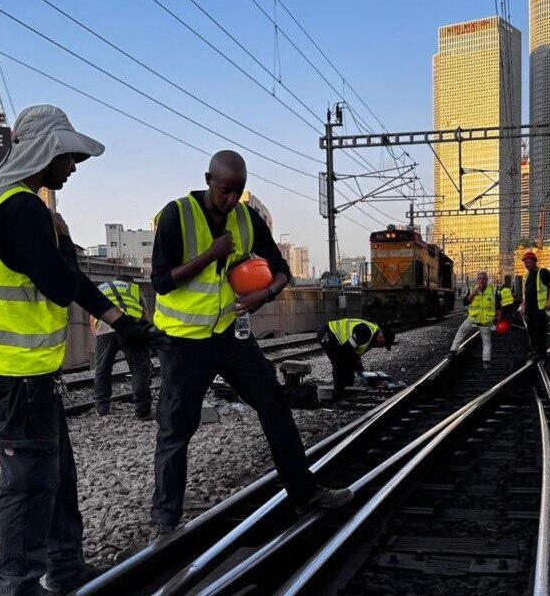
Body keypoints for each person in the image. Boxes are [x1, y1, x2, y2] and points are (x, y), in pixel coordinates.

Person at [0, 105, 152, 596]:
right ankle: (18, 595)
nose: (72, 165)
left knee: (57, 472)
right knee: (29, 479)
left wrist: (122, 321)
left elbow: (65, 281)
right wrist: (65, 238)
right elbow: (60, 282)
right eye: (67, 155)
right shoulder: (19, 209)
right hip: (14, 370)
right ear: (42, 150)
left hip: (24, 369)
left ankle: (66, 568)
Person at [150, 149, 351, 534]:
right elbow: (161, 280)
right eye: (225, 190)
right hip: (184, 342)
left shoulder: (246, 217)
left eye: (238, 191)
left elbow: (281, 270)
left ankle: (305, 493)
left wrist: (266, 294)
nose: (231, 199)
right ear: (209, 179)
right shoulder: (177, 215)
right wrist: (211, 254)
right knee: (176, 428)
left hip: (230, 335)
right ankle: (164, 522)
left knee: (273, 403)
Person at [91, 278, 152, 419]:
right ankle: (143, 412)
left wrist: (100, 335)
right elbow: (144, 315)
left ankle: (102, 409)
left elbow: (92, 316)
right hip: (130, 326)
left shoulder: (101, 287)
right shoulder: (134, 288)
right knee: (139, 369)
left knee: (102, 369)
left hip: (105, 327)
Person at [317, 318, 395, 400]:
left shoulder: (372, 337)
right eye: (384, 343)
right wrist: (360, 370)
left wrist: (361, 371)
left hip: (337, 339)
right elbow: (346, 350)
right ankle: (338, 395)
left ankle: (347, 392)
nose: (382, 346)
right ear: (381, 336)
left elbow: (354, 354)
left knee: (348, 364)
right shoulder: (365, 333)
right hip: (328, 332)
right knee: (339, 362)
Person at [450, 271, 497, 363]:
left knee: (487, 342)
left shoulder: (493, 291)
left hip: (486, 321)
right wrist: (474, 293)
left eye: (484, 278)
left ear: (487, 280)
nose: (481, 280)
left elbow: (498, 307)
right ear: (477, 280)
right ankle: (453, 351)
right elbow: (465, 302)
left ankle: (486, 362)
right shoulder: (472, 289)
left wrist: (498, 321)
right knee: (461, 330)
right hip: (473, 319)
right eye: (480, 278)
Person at [520, 250, 550, 360]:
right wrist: (523, 305)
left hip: (540, 308)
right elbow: (526, 293)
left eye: (529, 262)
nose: (527, 264)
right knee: (531, 331)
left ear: (535, 261)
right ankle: (536, 352)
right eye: (525, 262)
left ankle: (541, 353)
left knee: (539, 331)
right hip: (530, 309)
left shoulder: (542, 272)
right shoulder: (528, 275)